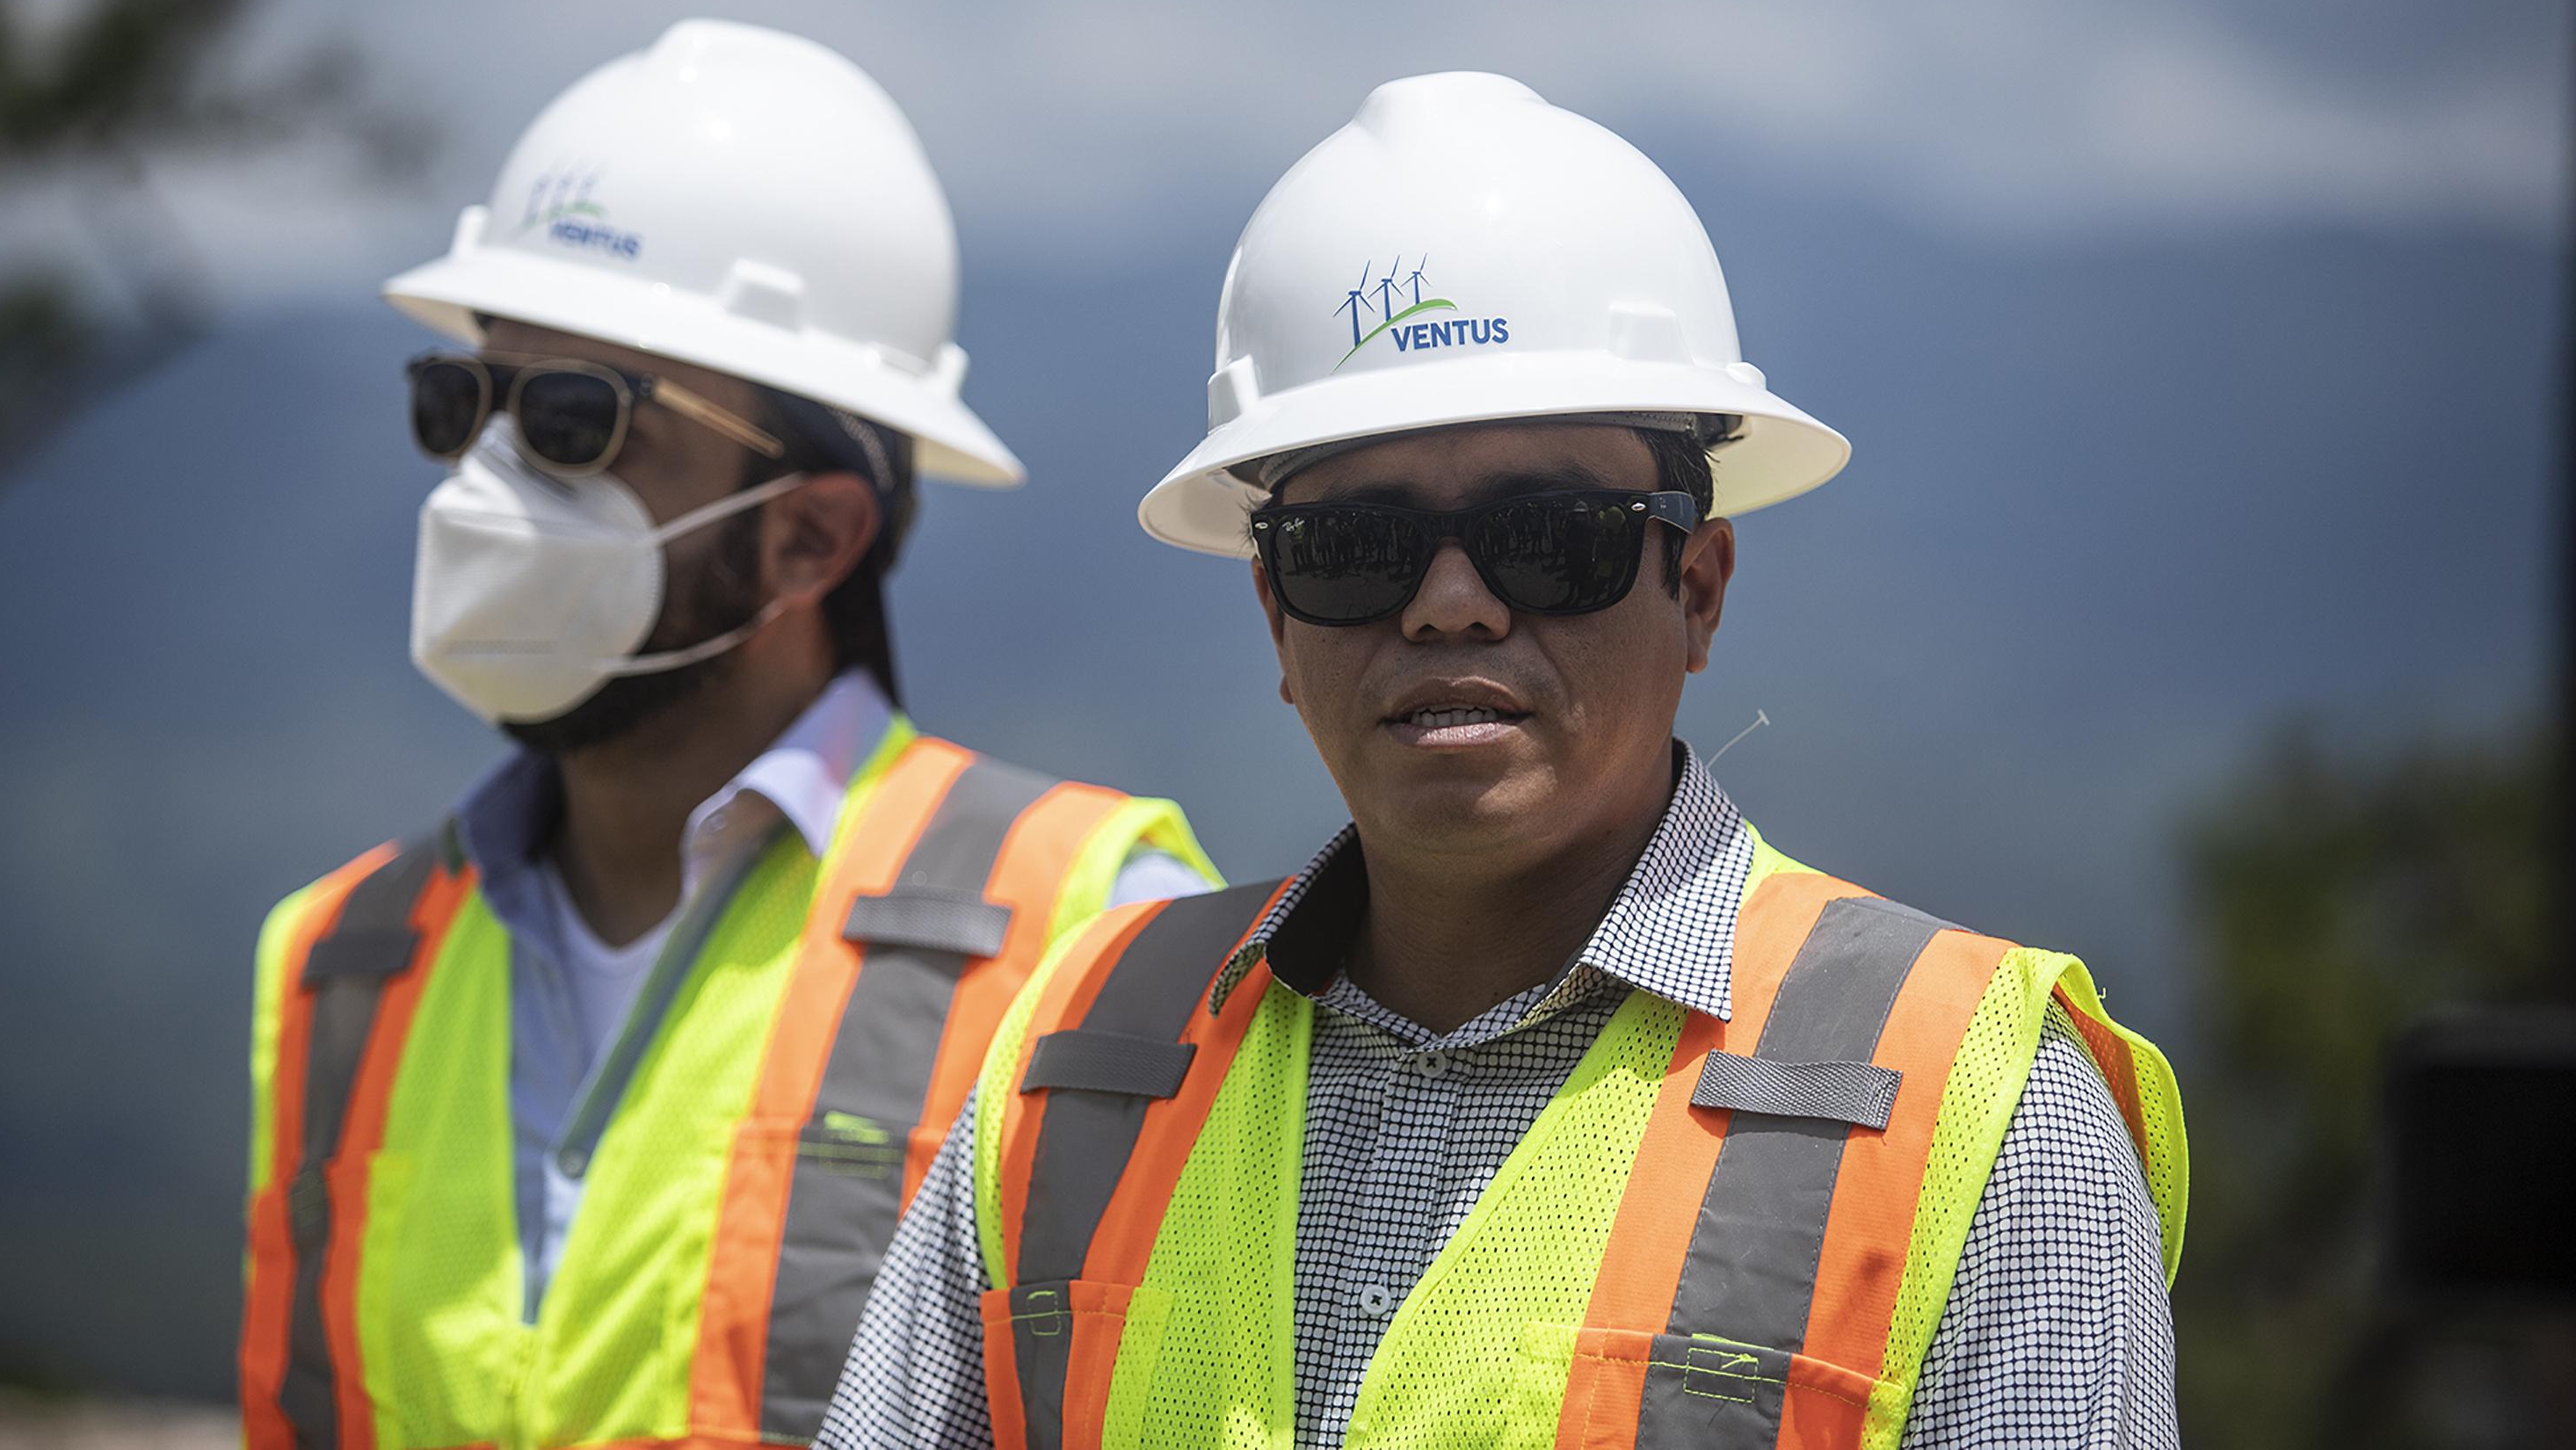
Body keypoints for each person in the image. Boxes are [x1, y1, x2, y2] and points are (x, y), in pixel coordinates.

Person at [822, 71, 2187, 1449]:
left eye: (1552, 536)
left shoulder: (1975, 1114)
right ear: (1275, 619)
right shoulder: (1077, 1063)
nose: (1451, 604)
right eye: (1355, 550)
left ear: (1699, 588)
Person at [236, 20, 1216, 1450]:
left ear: (812, 535)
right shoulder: (334, 967)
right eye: (465, 406)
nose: (486, 488)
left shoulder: (1090, 947)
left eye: (577, 424)